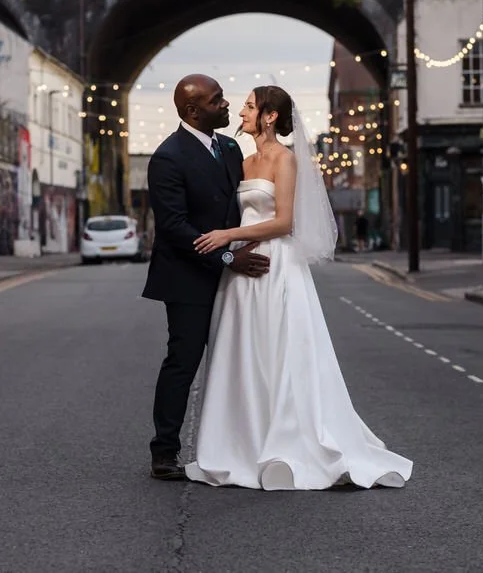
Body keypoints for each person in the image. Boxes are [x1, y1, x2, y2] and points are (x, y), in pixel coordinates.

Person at [186, 85, 413, 490]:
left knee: (282, 352)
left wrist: (227, 234)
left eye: (250, 106)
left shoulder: (284, 159)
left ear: (270, 116)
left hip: (277, 264)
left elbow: (284, 222)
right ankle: (242, 443)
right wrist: (233, 241)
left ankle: (289, 442)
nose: (241, 111)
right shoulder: (242, 159)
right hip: (242, 267)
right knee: (244, 354)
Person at [142, 74, 271, 481]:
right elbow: (175, 227)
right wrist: (228, 255)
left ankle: (244, 445)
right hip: (189, 275)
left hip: (237, 272)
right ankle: (164, 452)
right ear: (193, 111)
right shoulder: (168, 157)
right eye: (218, 101)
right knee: (184, 361)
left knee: (241, 358)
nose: (227, 105)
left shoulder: (230, 147)